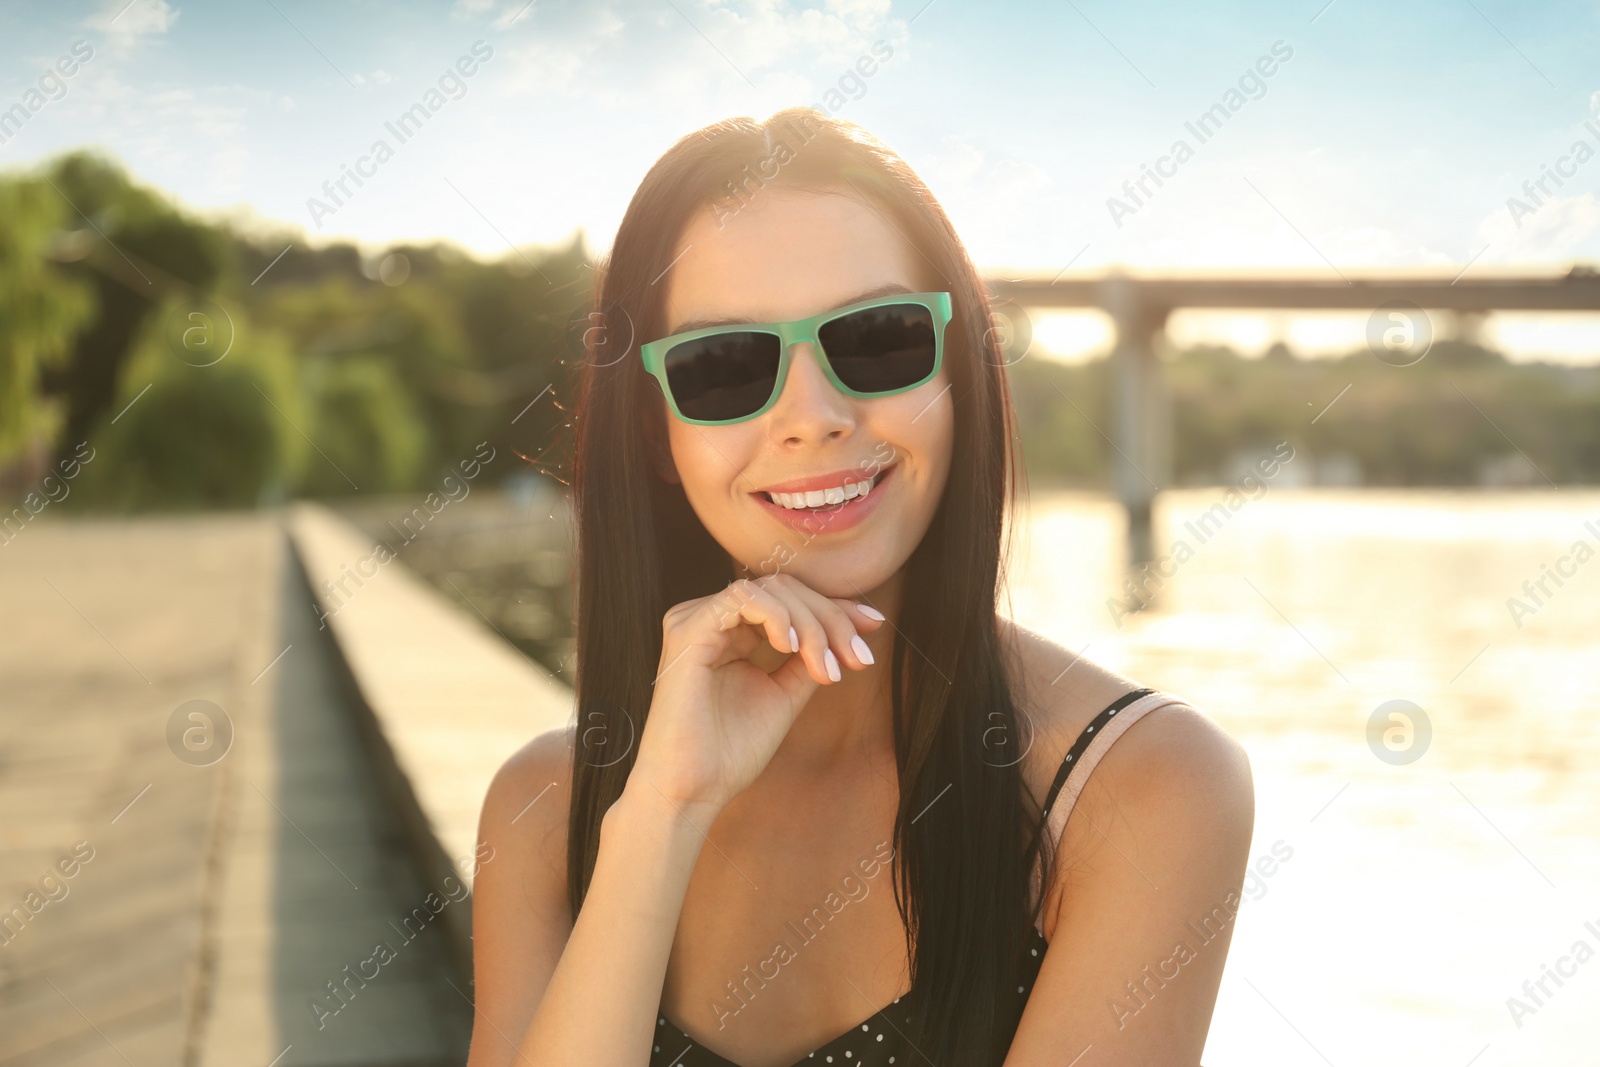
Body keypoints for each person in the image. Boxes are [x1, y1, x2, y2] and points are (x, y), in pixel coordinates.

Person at [466, 107, 1254, 1067]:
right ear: (655, 434)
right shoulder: (547, 808)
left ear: (958, 374)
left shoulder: (1140, 789)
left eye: (877, 339)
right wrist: (661, 814)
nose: (816, 417)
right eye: (724, 366)